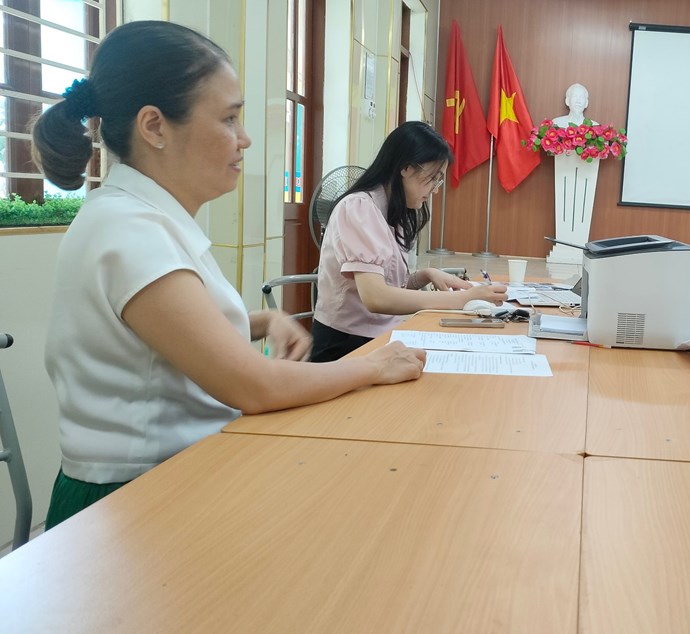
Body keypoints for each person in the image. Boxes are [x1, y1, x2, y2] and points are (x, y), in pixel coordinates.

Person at [31, 21, 427, 529]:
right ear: (154, 127)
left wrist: (262, 320)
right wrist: (373, 366)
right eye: (229, 118)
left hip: (174, 478)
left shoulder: (143, 218)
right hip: (130, 503)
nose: (245, 139)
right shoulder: (128, 231)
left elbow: (166, 336)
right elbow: (252, 385)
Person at [311, 121, 508, 362]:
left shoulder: (394, 212)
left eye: (439, 181)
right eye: (433, 178)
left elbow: (391, 287)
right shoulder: (358, 208)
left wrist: (425, 275)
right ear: (405, 167)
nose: (435, 190)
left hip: (380, 338)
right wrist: (460, 299)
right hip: (344, 346)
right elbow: (376, 298)